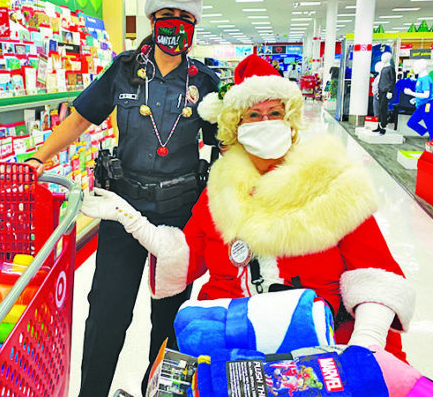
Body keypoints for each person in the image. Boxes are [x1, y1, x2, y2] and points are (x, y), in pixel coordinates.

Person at [82, 54, 415, 362]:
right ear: (235, 129)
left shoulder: (333, 181)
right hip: (233, 338)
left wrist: (364, 344)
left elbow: (375, 275)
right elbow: (187, 255)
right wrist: (133, 221)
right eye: (253, 115)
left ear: (291, 121)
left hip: (321, 344)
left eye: (275, 113)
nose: (265, 121)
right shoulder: (220, 190)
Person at [25, 0, 219, 397]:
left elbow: (224, 143)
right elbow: (80, 118)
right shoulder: (123, 70)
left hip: (180, 217)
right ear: (152, 16)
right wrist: (40, 155)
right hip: (123, 211)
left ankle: (158, 392)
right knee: (107, 314)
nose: (175, 24)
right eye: (167, 14)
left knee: (169, 318)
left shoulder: (207, 84)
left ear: (195, 22)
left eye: (185, 16)